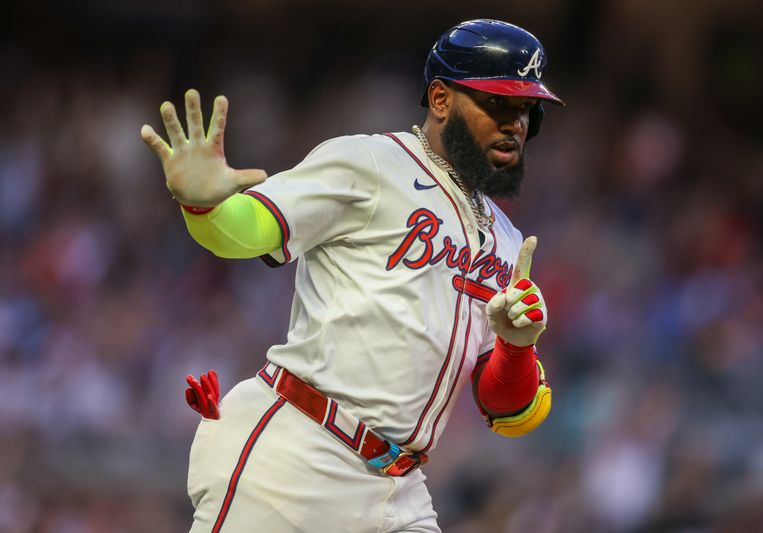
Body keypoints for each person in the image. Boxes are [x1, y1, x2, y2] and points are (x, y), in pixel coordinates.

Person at [141, 18, 564, 533]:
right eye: (497, 103)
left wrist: (516, 345)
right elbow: (249, 232)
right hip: (299, 453)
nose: (515, 123)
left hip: (399, 487)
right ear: (440, 99)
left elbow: (510, 413)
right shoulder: (370, 161)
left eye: (526, 109)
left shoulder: (506, 239)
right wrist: (204, 205)